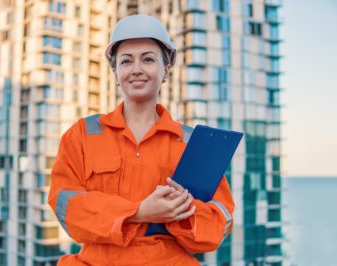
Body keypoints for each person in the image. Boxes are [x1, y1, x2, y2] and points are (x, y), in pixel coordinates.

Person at [48, 14, 234, 266]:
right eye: (126, 61)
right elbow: (67, 208)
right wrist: (139, 212)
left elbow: (217, 223)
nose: (136, 69)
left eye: (148, 59)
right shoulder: (83, 134)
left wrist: (179, 212)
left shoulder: (194, 144)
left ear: (166, 70)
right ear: (116, 72)